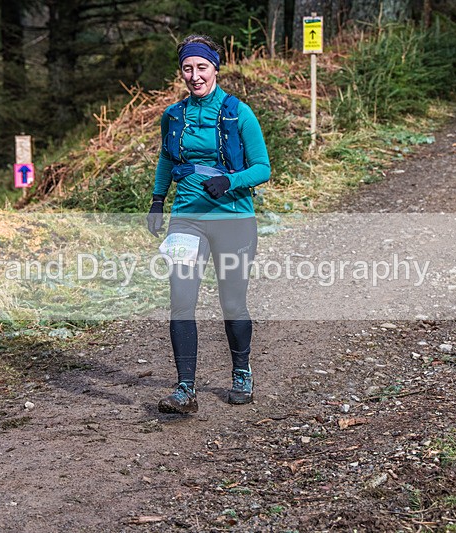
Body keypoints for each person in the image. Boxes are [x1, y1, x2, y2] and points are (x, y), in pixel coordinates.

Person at [146, 34, 271, 414]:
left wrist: (230, 180)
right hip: (186, 219)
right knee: (181, 302)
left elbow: (262, 168)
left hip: (234, 219)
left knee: (231, 302)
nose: (195, 75)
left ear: (215, 67)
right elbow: (167, 159)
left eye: (202, 67)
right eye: (188, 68)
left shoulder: (239, 112)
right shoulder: (174, 115)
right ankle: (185, 390)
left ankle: (242, 373)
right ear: (181, 72)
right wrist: (157, 200)